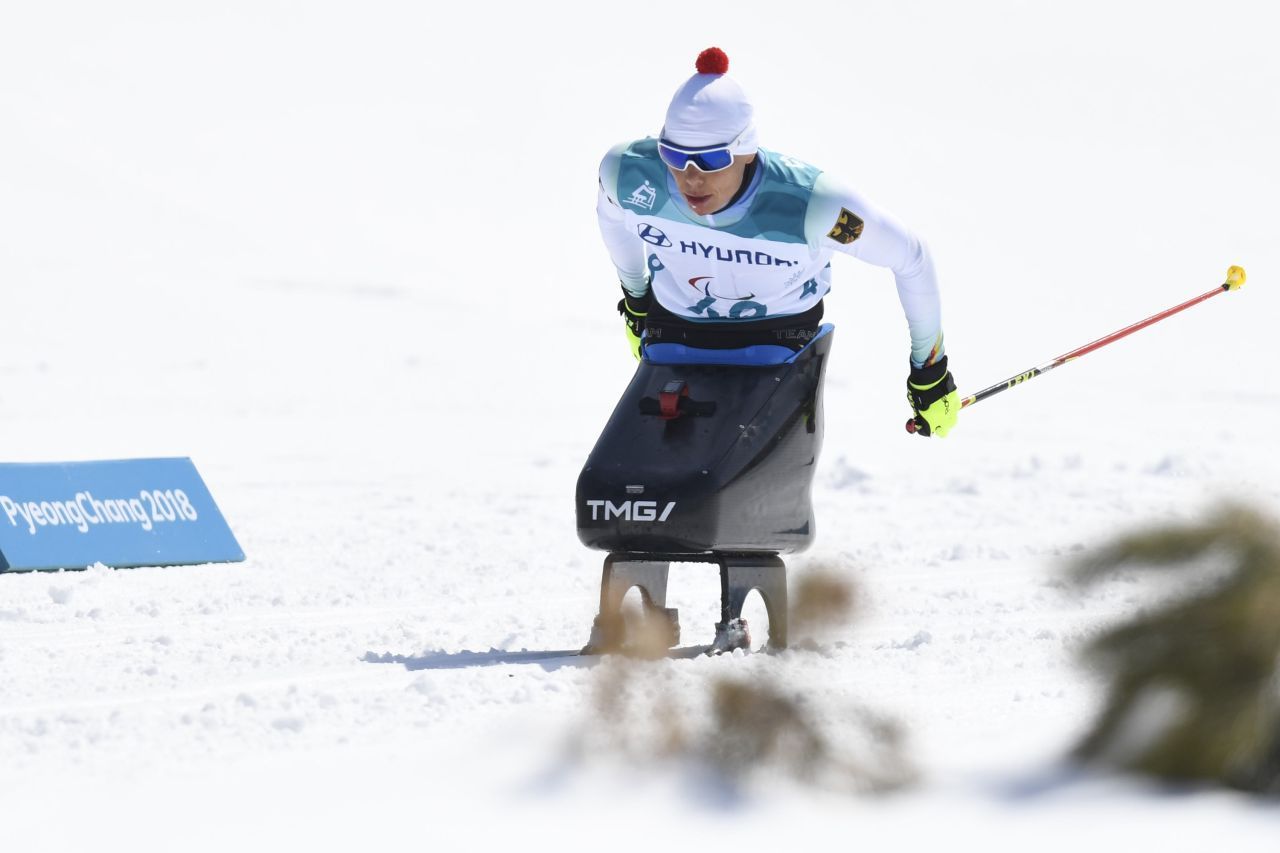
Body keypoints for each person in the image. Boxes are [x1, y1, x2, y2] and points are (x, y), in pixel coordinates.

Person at [595, 47, 959, 437]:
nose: (690, 178)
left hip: (779, 339)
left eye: (711, 161)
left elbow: (911, 257)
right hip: (675, 328)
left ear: (744, 150)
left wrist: (930, 369)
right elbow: (612, 220)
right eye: (674, 155)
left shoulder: (812, 205)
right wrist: (636, 300)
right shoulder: (629, 175)